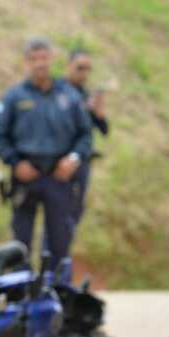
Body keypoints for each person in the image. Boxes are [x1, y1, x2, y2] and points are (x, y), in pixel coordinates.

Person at [0, 37, 92, 272]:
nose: (40, 64)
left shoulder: (69, 96)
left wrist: (73, 159)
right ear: (26, 62)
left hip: (59, 176)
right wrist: (15, 163)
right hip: (26, 176)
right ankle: (22, 295)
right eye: (34, 59)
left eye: (44, 58)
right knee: (21, 243)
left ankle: (55, 294)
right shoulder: (14, 97)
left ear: (51, 60)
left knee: (59, 241)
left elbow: (85, 136)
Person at [64, 48, 109, 225]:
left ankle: (62, 251)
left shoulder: (87, 94)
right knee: (56, 211)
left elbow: (103, 129)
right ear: (69, 66)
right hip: (61, 159)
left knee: (75, 210)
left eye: (88, 69)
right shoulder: (56, 91)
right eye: (80, 68)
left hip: (82, 160)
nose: (84, 74)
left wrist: (98, 112)